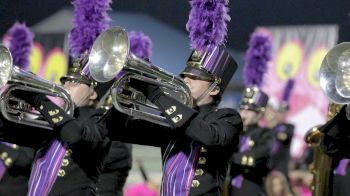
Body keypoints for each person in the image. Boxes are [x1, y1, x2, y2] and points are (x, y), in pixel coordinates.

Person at [105, 45, 242, 195]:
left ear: (215, 89)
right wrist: (127, 91)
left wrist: (157, 95)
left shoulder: (228, 117)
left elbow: (209, 136)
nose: (186, 80)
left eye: (195, 77)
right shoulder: (172, 122)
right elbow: (117, 130)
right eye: (185, 76)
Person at [229, 87, 273, 196]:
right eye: (242, 109)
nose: (243, 115)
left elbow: (256, 155)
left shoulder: (265, 133)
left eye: (249, 111)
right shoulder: (235, 133)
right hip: (232, 187)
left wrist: (230, 157)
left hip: (253, 187)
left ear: (259, 115)